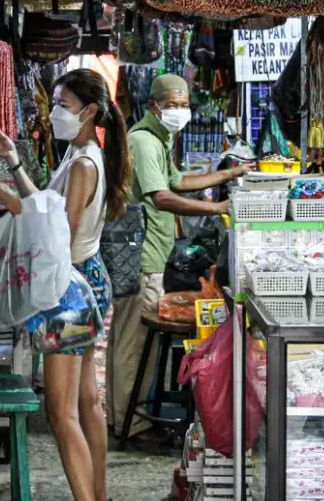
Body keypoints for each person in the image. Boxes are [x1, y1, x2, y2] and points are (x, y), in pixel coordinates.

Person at [0, 68, 131, 501]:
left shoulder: (82, 163)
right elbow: (45, 203)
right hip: (84, 280)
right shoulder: (81, 154)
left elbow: (56, 231)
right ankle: (98, 494)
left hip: (67, 295)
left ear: (91, 111)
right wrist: (14, 162)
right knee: (85, 404)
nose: (55, 112)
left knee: (61, 414)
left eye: (64, 105)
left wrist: (7, 201)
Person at [110, 74, 250, 438]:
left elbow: (177, 183)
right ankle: (129, 422)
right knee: (133, 342)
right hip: (140, 256)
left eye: (184, 104)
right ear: (153, 105)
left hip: (152, 251)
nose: (180, 111)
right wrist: (216, 207)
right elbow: (162, 197)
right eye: (172, 105)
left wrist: (230, 173)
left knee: (132, 340)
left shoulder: (159, 137)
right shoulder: (142, 141)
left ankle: (124, 415)